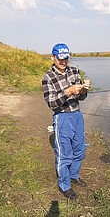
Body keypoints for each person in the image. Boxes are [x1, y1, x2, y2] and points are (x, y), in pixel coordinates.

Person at [42, 43, 91, 200]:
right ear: (53, 57)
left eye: (66, 58)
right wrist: (68, 91)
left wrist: (83, 90)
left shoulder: (74, 71)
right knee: (64, 154)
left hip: (77, 115)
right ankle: (64, 185)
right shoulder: (47, 77)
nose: (64, 62)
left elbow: (81, 98)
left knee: (79, 149)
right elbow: (51, 103)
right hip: (61, 117)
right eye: (60, 59)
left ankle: (74, 175)